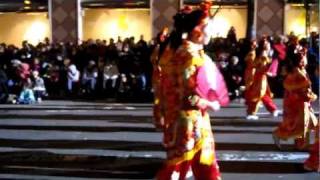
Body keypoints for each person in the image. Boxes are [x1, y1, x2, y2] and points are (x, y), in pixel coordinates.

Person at [155, 2, 229, 179]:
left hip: (181, 119)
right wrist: (211, 103)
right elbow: (189, 97)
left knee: (198, 167)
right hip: (190, 122)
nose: (211, 32)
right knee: (182, 169)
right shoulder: (190, 56)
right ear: (197, 30)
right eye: (208, 27)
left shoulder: (176, 51)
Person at [272, 49, 318, 150]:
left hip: (303, 101)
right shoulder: (296, 72)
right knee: (299, 124)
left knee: (310, 122)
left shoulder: (302, 70)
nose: (305, 61)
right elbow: (290, 86)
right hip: (298, 102)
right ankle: (281, 135)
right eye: (303, 59)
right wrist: (308, 94)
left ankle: (302, 144)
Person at [244, 37, 279, 120]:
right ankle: (273, 109)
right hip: (257, 76)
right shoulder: (260, 53)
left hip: (260, 76)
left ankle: (252, 112)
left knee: (257, 94)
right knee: (262, 94)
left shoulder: (263, 54)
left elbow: (262, 66)